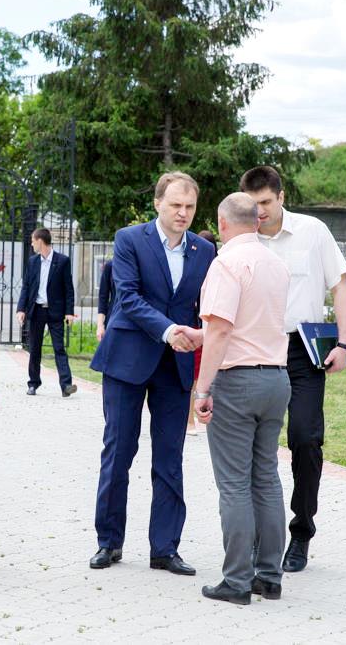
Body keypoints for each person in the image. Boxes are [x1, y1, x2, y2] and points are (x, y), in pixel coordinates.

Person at [89, 171, 216, 575]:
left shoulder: (204, 250)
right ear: (158, 203)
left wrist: (199, 337)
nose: (183, 212)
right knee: (119, 451)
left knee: (170, 457)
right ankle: (109, 542)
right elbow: (127, 296)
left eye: (190, 206)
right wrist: (168, 330)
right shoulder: (130, 239)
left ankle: (165, 548)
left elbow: (205, 305)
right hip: (128, 358)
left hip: (176, 365)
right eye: (175, 204)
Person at [241, 165, 346, 573]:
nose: (259, 212)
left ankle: (301, 531)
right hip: (257, 349)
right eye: (252, 204)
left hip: (303, 351)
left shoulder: (313, 232)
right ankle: (259, 536)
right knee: (256, 446)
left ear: (281, 197)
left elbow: (340, 286)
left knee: (305, 440)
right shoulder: (243, 238)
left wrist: (343, 343)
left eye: (266, 203)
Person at [192, 193, 291, 605]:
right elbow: (254, 322)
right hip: (276, 378)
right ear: (257, 221)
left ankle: (236, 580)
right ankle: (270, 575)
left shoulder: (227, 263)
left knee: (234, 483)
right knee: (266, 477)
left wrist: (203, 389)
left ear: (221, 222)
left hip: (237, 382)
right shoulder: (276, 264)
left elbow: (220, 330)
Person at [15, 227, 78, 397]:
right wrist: (21, 309)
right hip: (36, 310)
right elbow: (26, 287)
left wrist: (69, 312)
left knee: (59, 348)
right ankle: (33, 383)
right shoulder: (32, 262)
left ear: (40, 241)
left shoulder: (62, 261)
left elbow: (68, 289)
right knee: (35, 349)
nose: (32, 244)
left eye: (33, 241)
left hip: (55, 311)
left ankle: (66, 385)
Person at [187, 229, 218, 436]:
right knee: (196, 375)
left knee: (199, 376)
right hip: (199, 327)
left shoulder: (218, 270)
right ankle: (191, 420)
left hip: (206, 327)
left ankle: (194, 419)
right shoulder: (194, 269)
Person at [95, 258, 114, 342]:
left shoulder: (140, 264)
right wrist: (100, 326)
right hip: (113, 318)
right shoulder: (110, 265)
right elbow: (103, 297)